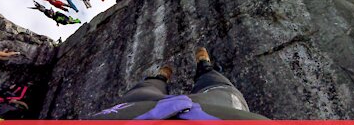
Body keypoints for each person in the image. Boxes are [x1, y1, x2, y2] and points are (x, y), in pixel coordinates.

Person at [91, 47, 268, 120]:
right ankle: (204, 66)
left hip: (133, 109)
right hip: (219, 109)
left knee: (147, 88)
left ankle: (161, 77)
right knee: (217, 84)